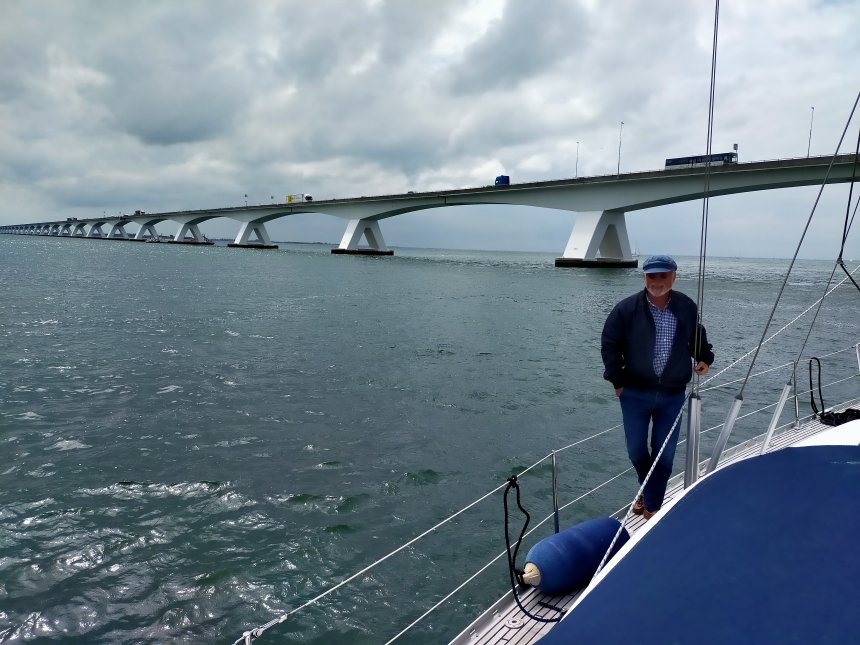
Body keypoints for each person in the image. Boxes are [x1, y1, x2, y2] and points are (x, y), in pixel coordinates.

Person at [601, 255, 714, 519]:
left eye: (663, 275)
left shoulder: (686, 306)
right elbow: (609, 344)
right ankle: (648, 491)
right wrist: (617, 382)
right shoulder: (626, 309)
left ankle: (652, 507)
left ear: (674, 275)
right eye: (652, 276)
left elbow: (696, 336)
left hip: (672, 396)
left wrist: (704, 358)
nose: (657, 281)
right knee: (636, 451)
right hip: (634, 394)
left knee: (664, 456)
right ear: (644, 278)